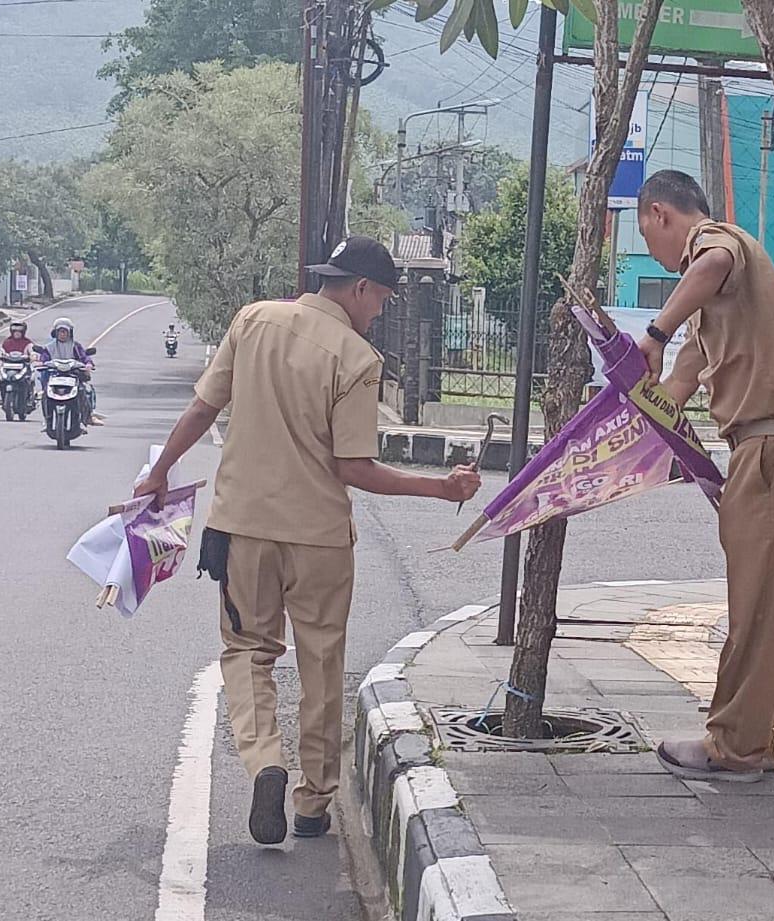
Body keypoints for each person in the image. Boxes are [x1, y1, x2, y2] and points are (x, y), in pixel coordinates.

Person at [132, 236, 481, 845]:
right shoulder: (357, 359)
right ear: (361, 289)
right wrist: (442, 489)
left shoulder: (252, 321)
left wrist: (160, 472)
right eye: (383, 301)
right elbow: (355, 468)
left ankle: (265, 758)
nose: (382, 313)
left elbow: (201, 408)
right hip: (319, 540)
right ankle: (313, 803)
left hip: (242, 527)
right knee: (322, 664)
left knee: (246, 649)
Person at [633, 170, 774, 783]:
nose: (662, 258)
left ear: (661, 214)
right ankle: (746, 735)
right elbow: (673, 391)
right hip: (769, 447)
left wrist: (654, 330)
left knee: (759, 604)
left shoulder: (720, 244)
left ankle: (738, 747)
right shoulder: (714, 311)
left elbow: (712, 260)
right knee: (763, 601)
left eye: (650, 238)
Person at [38, 318, 97, 424]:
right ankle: (47, 420)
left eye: (65, 332)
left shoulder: (76, 346)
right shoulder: (49, 347)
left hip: (73, 376)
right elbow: (43, 359)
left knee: (85, 391)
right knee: (45, 395)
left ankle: (86, 418)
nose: (63, 334)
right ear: (56, 333)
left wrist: (88, 364)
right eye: (60, 332)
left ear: (70, 333)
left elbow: (85, 357)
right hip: (54, 376)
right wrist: (40, 363)